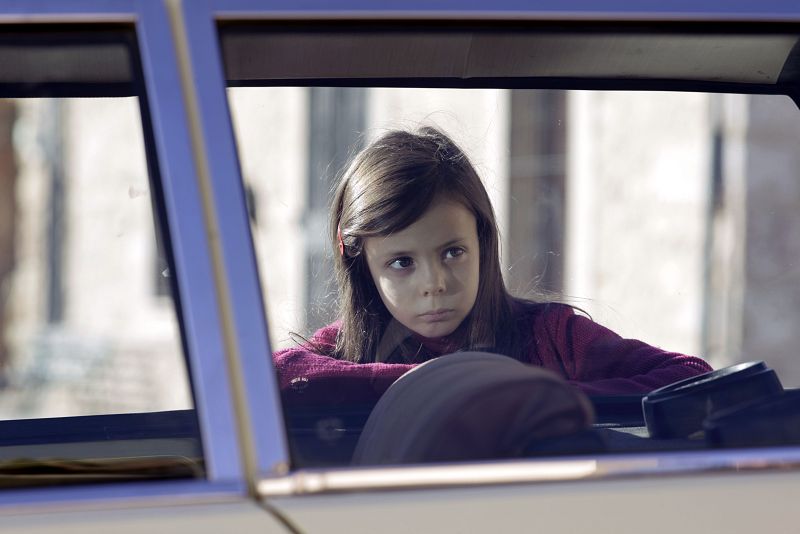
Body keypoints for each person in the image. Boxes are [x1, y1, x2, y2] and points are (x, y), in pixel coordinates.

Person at [273, 127, 712, 408]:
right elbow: (275, 375)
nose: (436, 284)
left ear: (482, 241)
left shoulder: (552, 338)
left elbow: (693, 378)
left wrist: (535, 400)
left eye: (452, 252)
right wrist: (442, 387)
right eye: (402, 262)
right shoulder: (343, 350)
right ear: (359, 260)